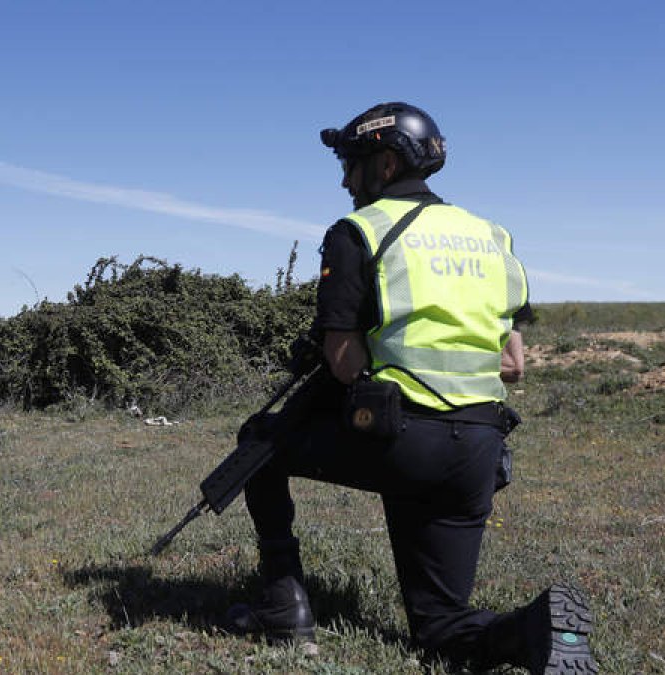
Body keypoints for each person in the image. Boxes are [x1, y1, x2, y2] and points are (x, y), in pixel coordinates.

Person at [229, 102, 598, 674]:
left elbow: (346, 361)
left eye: (351, 164)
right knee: (440, 627)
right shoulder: (490, 236)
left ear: (384, 163)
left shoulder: (359, 231)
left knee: (258, 445)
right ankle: (540, 626)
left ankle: (283, 605)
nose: (344, 179)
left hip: (400, 440)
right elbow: (512, 363)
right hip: (478, 449)